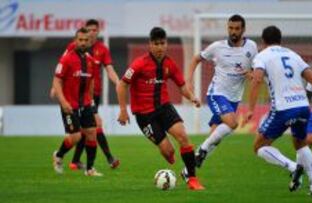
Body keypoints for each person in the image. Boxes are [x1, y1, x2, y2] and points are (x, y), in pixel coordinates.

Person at [242, 26, 312, 195]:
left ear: (263, 42)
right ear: (280, 40)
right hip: (302, 107)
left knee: (259, 146)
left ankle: (293, 167)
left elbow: (257, 80)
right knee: (300, 144)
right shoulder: (293, 54)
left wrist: (250, 108)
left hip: (282, 109)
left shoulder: (262, 56)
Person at [116, 27, 205, 190]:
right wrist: (123, 110)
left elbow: (182, 86)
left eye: (162, 43)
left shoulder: (169, 63)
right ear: (150, 45)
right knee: (168, 151)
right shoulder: (139, 64)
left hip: (164, 108)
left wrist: (192, 97)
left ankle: (192, 178)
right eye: (156, 44)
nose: (159, 47)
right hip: (144, 115)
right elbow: (122, 85)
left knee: (183, 137)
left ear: (166, 44)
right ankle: (168, 152)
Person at [186, 14, 258, 168]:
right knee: (232, 123)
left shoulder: (251, 47)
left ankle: (188, 170)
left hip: (234, 98)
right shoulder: (217, 47)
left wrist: (251, 74)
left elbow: (255, 71)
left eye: (237, 29)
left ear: (243, 30)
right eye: (231, 28)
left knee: (215, 137)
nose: (233, 32)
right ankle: (202, 150)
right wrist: (189, 81)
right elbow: (195, 59)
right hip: (216, 94)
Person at [52, 19, 120, 170]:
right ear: (77, 39)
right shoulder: (71, 51)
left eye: (94, 30)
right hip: (72, 98)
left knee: (90, 130)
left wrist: (118, 82)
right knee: (89, 129)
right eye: (88, 30)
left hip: (91, 96)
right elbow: (59, 72)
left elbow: (107, 70)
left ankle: (82, 164)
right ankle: (107, 158)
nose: (91, 33)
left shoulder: (101, 51)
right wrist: (56, 90)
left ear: (97, 32)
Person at [52, 27, 102, 176]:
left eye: (86, 40)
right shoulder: (66, 59)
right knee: (76, 136)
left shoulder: (91, 61)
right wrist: (63, 102)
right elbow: (57, 81)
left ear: (89, 42)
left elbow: (91, 83)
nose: (83, 43)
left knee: (92, 133)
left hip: (85, 104)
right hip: (69, 105)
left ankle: (90, 169)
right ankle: (59, 155)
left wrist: (91, 103)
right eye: (80, 40)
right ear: (75, 41)